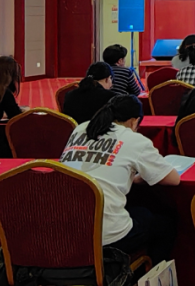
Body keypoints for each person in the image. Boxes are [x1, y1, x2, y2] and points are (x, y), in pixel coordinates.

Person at [60, 94, 179, 264]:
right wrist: (140, 178)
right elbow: (173, 179)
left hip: (64, 228)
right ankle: (149, 273)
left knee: (139, 212)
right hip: (105, 236)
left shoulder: (81, 128)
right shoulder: (134, 139)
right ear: (134, 121)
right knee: (165, 224)